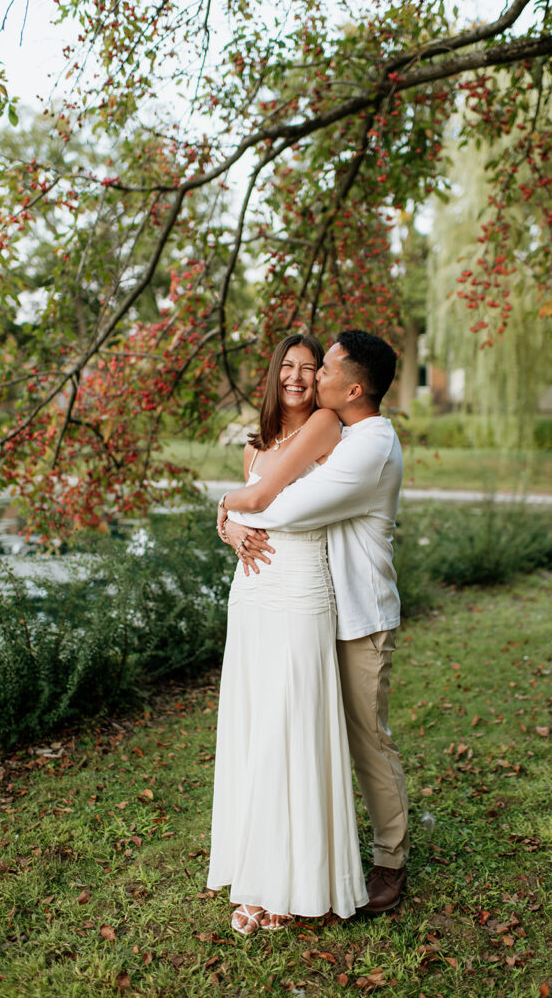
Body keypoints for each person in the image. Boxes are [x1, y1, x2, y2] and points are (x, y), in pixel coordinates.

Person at [220, 329, 409, 916]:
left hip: (357, 615)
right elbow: (269, 497)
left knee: (365, 741)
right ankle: (292, 853)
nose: (312, 376)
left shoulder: (368, 446)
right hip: (314, 603)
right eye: (302, 366)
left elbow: (286, 508)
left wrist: (229, 505)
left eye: (323, 368)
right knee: (299, 729)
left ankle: (390, 862)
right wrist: (230, 523)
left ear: (354, 386)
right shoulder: (349, 430)